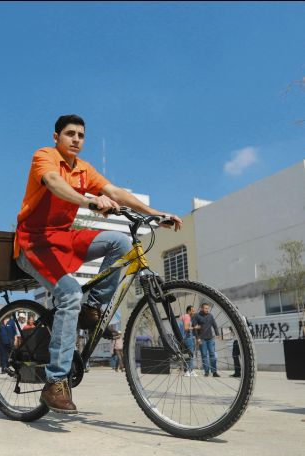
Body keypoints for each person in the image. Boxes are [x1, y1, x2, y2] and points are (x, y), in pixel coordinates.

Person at [13, 114, 182, 414]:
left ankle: (92, 310)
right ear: (56, 137)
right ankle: (55, 383)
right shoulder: (45, 157)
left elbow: (115, 192)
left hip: (64, 237)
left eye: (81, 135)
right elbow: (53, 184)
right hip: (34, 243)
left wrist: (155, 213)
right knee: (68, 295)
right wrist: (90, 202)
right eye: (69, 134)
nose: (76, 139)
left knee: (121, 242)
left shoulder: (84, 169)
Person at [193, 303, 221, 377]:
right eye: (205, 308)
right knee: (204, 355)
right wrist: (197, 338)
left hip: (210, 338)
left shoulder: (210, 316)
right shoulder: (197, 316)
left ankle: (214, 372)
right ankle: (206, 372)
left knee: (212, 354)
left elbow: (215, 325)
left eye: (208, 308)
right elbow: (195, 328)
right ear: (202, 308)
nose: (207, 310)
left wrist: (217, 334)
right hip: (202, 339)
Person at [180, 305, 197, 376]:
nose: (194, 312)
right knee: (191, 355)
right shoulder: (187, 317)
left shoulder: (182, 317)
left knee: (186, 355)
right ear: (188, 311)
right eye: (192, 310)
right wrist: (194, 327)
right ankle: (191, 371)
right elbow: (186, 328)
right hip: (188, 338)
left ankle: (187, 371)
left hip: (182, 338)